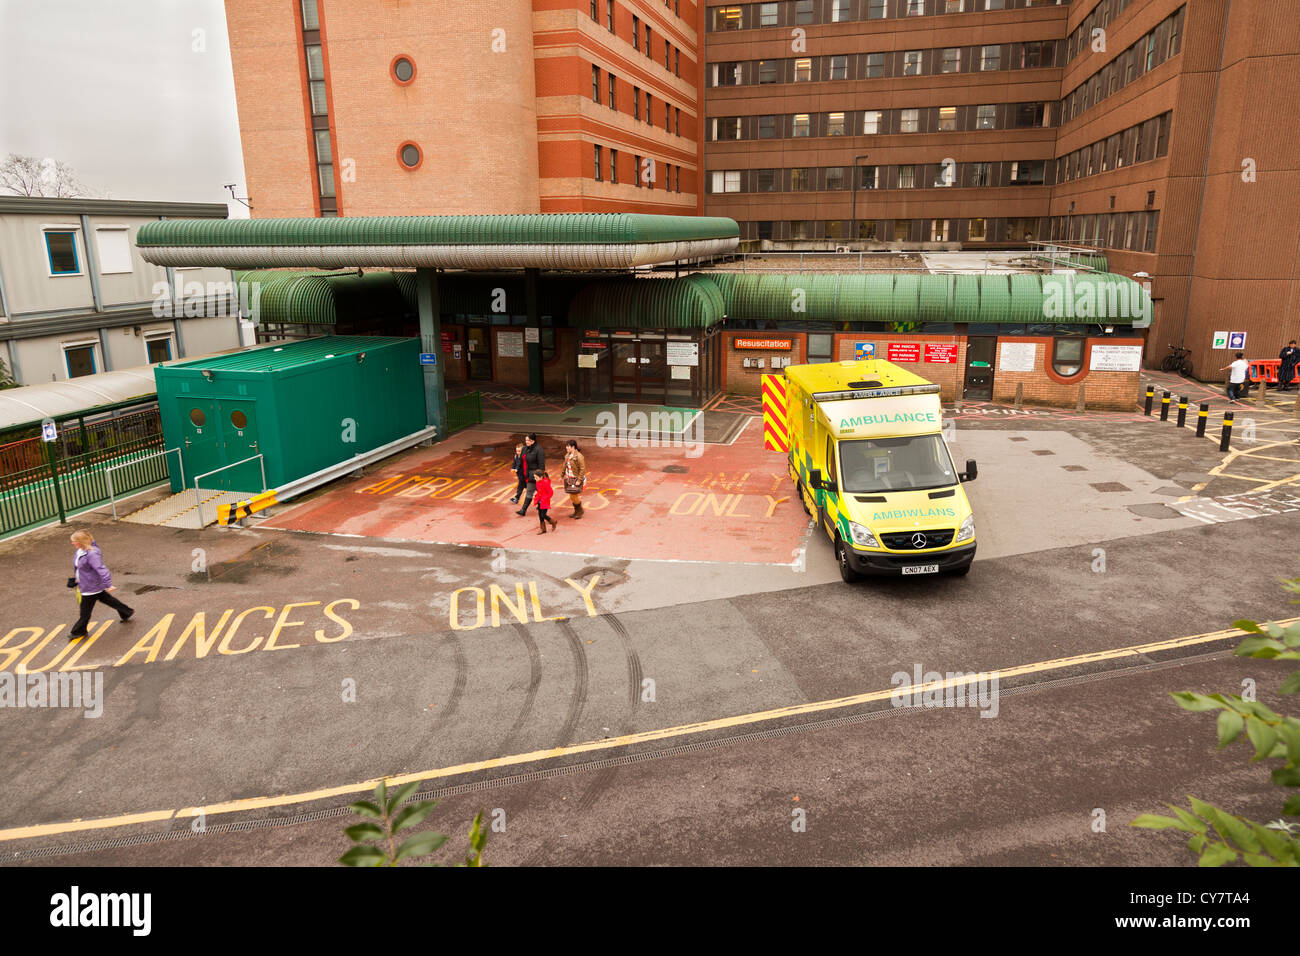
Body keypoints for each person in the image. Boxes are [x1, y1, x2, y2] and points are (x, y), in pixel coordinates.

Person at [68, 530, 133, 640]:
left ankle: (78, 631)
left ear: (80, 542)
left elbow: (101, 569)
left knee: (85, 612)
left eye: (74, 541)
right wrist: (77, 579)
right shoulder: (80, 551)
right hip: (88, 584)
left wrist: (108, 584)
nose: (72, 543)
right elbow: (80, 568)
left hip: (91, 587)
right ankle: (126, 611)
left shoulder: (92, 554)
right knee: (107, 599)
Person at [515, 433, 546, 516]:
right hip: (528, 474)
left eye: (528, 440)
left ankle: (525, 509)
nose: (526, 442)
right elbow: (521, 459)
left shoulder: (539, 450)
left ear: (533, 441)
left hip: (536, 475)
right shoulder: (524, 448)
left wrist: (540, 476)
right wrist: (517, 467)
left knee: (537, 491)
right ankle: (524, 510)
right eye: (526, 440)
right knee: (531, 491)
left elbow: (541, 464)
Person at [562, 439, 587, 519]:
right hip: (570, 478)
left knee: (574, 495)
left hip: (576, 478)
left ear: (573, 447)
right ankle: (577, 511)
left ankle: (580, 511)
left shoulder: (579, 456)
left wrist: (579, 480)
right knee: (572, 495)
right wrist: (562, 475)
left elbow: (583, 469)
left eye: (568, 446)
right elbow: (565, 466)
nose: (566, 448)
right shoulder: (567, 455)